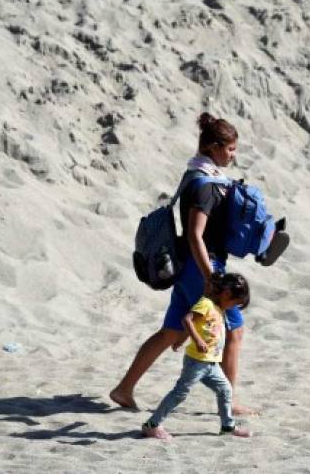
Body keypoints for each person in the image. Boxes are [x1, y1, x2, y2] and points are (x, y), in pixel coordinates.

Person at [110, 112, 255, 414]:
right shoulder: (205, 185)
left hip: (189, 266)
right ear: (214, 147)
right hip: (201, 267)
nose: (233, 155)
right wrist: (209, 277)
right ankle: (227, 403)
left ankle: (124, 389)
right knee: (234, 331)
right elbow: (194, 235)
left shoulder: (196, 174)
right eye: (229, 149)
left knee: (171, 333)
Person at [142, 273, 253, 440]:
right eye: (235, 304)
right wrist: (197, 340)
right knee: (180, 393)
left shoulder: (218, 309)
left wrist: (181, 340)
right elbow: (187, 320)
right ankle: (152, 424)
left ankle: (228, 426)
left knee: (226, 390)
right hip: (196, 363)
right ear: (227, 294)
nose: (233, 308)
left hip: (211, 364)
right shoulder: (205, 304)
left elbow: (197, 326)